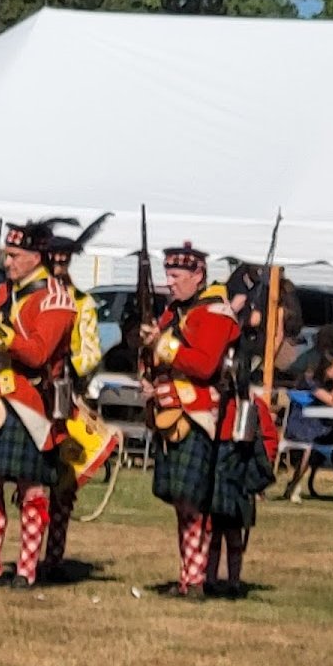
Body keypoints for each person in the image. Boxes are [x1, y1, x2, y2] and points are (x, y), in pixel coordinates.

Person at [0, 219, 77, 588]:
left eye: (14, 256)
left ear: (35, 257)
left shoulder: (56, 298)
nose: (7, 263)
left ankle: (27, 571)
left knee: (32, 489)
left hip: (30, 403)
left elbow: (38, 353)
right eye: (6, 256)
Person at [140, 241, 239, 599]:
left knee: (193, 502)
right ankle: (188, 576)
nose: (169, 281)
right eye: (167, 273)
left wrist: (162, 345)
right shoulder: (173, 313)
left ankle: (195, 580)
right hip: (170, 413)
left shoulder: (214, 312)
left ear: (198, 275)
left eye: (176, 275)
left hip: (198, 417)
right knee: (182, 502)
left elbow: (203, 364)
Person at [40, 215, 108, 582]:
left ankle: (54, 557)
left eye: (65, 262)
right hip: (33, 393)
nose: (60, 268)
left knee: (62, 484)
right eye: (55, 262)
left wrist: (68, 364)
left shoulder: (84, 304)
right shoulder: (32, 298)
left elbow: (93, 353)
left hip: (65, 396)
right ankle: (27, 558)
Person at [207, 393, 277, 598]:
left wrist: (257, 475)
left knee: (234, 533)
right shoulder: (211, 398)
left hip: (240, 472)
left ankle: (234, 582)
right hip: (215, 469)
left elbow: (268, 440)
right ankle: (210, 579)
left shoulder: (253, 404)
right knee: (213, 532)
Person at [282, 325, 333, 504]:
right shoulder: (311, 380)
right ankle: (293, 485)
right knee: (307, 447)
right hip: (303, 423)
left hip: (324, 426)